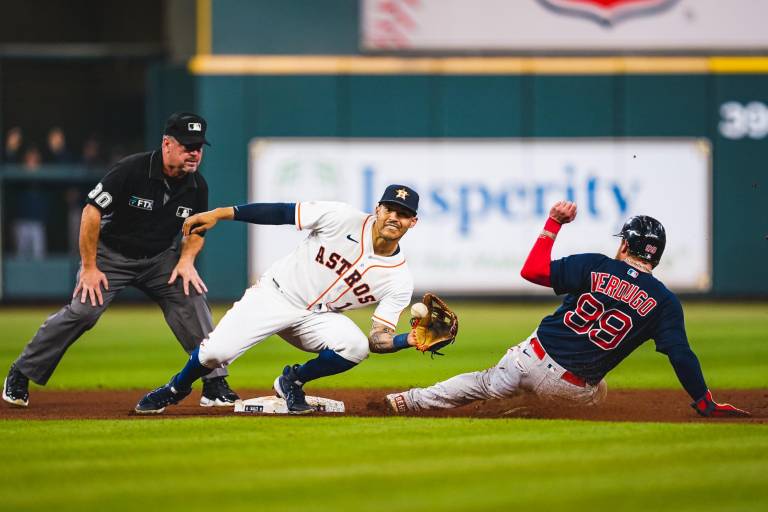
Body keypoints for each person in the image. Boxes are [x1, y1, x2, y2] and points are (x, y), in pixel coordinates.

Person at [386, 201, 750, 419]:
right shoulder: (665, 302)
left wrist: (553, 224)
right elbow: (681, 356)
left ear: (625, 245)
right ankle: (530, 410)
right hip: (570, 389)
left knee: (482, 382)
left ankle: (408, 401)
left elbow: (531, 271)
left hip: (528, 357)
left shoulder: (596, 265)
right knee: (600, 390)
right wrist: (704, 401)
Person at [2, 112, 238, 409]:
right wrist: (89, 267)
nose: (194, 153)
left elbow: (197, 228)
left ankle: (214, 383)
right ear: (167, 144)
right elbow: (91, 212)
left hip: (158, 260)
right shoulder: (131, 170)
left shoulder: (197, 186)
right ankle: (22, 371)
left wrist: (187, 260)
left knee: (191, 296)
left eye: (199, 147)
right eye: (187, 146)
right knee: (84, 311)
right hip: (111, 256)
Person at [134, 184, 421, 414]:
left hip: (318, 317)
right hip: (275, 295)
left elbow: (378, 338)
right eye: (390, 209)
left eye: (404, 214)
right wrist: (221, 213)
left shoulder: (399, 279)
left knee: (356, 347)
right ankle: (177, 387)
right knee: (213, 354)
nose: (394, 217)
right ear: (378, 209)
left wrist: (405, 340)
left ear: (413, 222)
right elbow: (282, 212)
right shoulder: (342, 217)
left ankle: (292, 381)